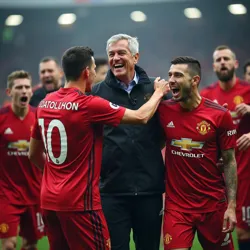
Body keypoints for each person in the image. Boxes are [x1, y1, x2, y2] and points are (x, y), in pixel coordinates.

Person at [28, 46, 169, 250]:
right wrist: (158, 94)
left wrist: (56, 178)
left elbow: (33, 154)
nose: (96, 73)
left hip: (49, 201)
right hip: (80, 203)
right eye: (94, 68)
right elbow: (141, 117)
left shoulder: (45, 103)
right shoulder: (88, 105)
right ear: (86, 71)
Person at [91, 33, 169, 250]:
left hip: (149, 191)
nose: (115, 58)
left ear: (135, 57)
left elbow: (173, 127)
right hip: (112, 192)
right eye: (111, 54)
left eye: (121, 53)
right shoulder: (96, 93)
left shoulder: (154, 89)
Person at [158, 56, 237, 250]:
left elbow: (229, 161)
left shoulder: (219, 115)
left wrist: (232, 206)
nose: (171, 80)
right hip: (177, 207)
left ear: (195, 80)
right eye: (170, 75)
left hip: (213, 206)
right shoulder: (163, 110)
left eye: (178, 75)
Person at [200, 45, 250, 250]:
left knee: (244, 229)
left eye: (226, 59)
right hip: (219, 174)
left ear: (235, 63)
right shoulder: (206, 95)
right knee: (224, 229)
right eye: (218, 59)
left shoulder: (248, 91)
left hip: (246, 170)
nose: (222, 62)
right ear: (213, 66)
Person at [0, 70, 44, 250]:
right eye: (19, 87)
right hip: (6, 194)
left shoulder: (39, 117)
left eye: (27, 87)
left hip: (35, 192)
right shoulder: (1, 118)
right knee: (9, 244)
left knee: (31, 245)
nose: (24, 91)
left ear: (31, 92)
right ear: (10, 92)